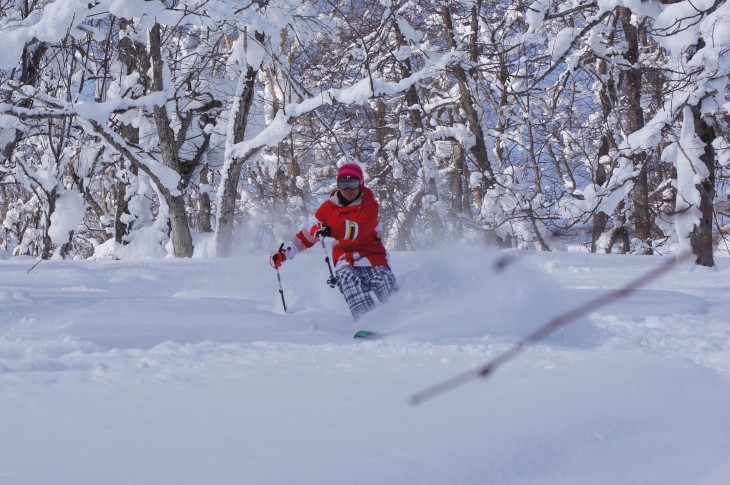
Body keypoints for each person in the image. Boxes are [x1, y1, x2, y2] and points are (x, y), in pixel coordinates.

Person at [269, 163, 398, 320]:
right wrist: (283, 253)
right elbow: (307, 236)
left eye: (353, 184)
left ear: (361, 183)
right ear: (338, 185)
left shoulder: (369, 205)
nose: (348, 189)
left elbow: (360, 228)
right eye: (344, 184)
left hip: (373, 258)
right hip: (345, 260)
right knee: (347, 278)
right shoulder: (328, 209)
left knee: (383, 279)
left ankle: (402, 318)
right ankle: (369, 321)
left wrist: (332, 230)